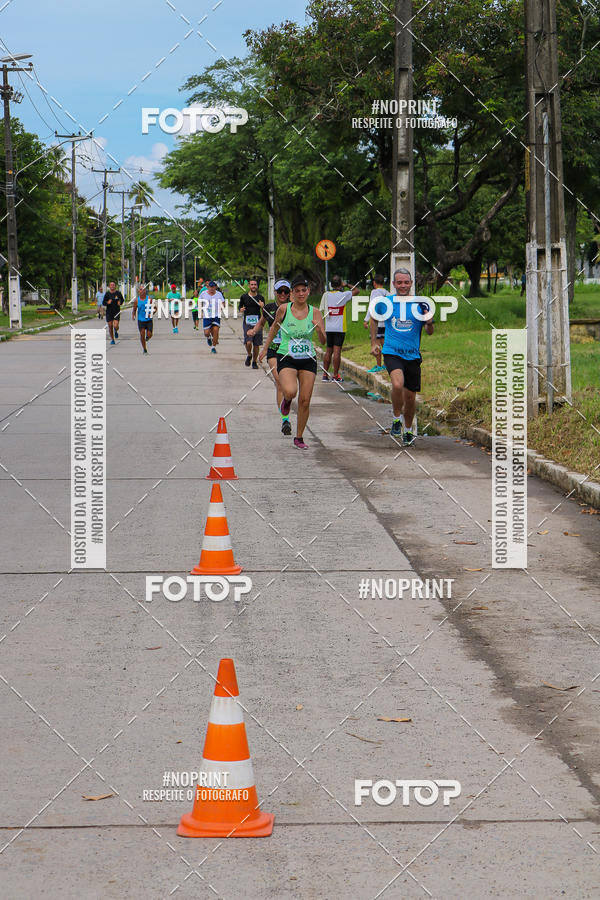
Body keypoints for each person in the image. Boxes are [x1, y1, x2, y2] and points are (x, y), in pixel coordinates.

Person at [259, 275, 326, 450]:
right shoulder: (284, 309)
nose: (301, 294)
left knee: (305, 400)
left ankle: (299, 437)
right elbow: (274, 328)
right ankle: (287, 401)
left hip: (308, 359)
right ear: (291, 293)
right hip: (286, 357)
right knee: (290, 391)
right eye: (297, 291)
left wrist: (319, 329)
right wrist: (265, 348)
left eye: (304, 290)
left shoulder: (315, 312)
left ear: (308, 291)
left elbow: (323, 340)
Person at [370, 268, 434, 444]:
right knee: (397, 384)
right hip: (392, 352)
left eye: (406, 282)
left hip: (412, 355)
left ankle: (407, 430)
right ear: (394, 284)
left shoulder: (420, 304)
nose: (403, 285)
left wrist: (429, 322)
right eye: (399, 282)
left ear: (411, 283)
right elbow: (373, 318)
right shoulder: (387, 302)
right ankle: (396, 419)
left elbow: (429, 331)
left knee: (410, 398)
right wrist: (374, 343)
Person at [248, 278, 292, 435]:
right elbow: (261, 322)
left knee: (290, 388)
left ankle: (287, 403)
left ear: (289, 293)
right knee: (279, 382)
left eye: (285, 291)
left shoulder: (295, 308)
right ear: (275, 292)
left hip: (290, 351)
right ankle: (285, 419)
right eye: (280, 291)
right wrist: (254, 331)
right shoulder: (269, 308)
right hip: (274, 350)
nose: (282, 294)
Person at [319, 274, 359, 382]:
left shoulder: (326, 295)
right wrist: (346, 285)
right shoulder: (344, 295)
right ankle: (336, 375)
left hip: (328, 328)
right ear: (340, 284)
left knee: (328, 351)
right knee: (337, 352)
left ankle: (325, 375)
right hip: (339, 328)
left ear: (331, 285)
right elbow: (356, 290)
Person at [239, 276, 265, 369]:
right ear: (249, 286)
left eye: (255, 284)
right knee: (249, 342)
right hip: (247, 322)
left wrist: (262, 306)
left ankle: (254, 362)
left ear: (257, 286)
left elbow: (265, 311)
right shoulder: (244, 297)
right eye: (252, 284)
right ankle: (249, 355)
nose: (253, 286)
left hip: (257, 323)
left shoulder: (260, 297)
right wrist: (241, 309)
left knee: (256, 344)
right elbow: (240, 307)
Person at [363, 273, 387, 373]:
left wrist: (366, 319)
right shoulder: (387, 293)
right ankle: (386, 364)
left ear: (374, 283)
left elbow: (371, 306)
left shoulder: (374, 292)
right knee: (385, 344)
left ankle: (378, 365)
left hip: (377, 323)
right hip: (385, 323)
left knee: (377, 344)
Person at [200, 280, 225, 353]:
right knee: (206, 333)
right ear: (208, 287)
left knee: (216, 330)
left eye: (213, 287)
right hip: (207, 316)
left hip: (216, 316)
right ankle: (208, 338)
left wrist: (222, 307)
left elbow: (223, 302)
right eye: (210, 287)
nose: (211, 288)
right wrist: (201, 312)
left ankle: (213, 347)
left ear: (215, 287)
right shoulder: (203, 294)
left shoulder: (219, 294)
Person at [132, 284, 154, 354]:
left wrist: (152, 313)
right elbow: (134, 309)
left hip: (148, 320)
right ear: (139, 291)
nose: (142, 291)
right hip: (141, 320)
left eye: (143, 290)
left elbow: (155, 308)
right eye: (141, 289)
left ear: (145, 291)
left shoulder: (149, 299)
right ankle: (144, 349)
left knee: (149, 335)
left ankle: (147, 338)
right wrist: (133, 315)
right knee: (142, 334)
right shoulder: (137, 300)